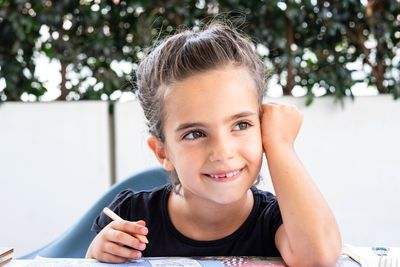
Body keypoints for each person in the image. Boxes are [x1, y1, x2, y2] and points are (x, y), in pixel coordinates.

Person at [86, 21, 341, 266]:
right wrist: (98, 252)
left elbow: (318, 257)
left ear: (262, 130)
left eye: (241, 125)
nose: (222, 152)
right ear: (163, 152)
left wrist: (281, 145)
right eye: (195, 133)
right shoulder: (129, 214)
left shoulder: (277, 222)